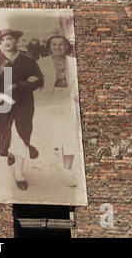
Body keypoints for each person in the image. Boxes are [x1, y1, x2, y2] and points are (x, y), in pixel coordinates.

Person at [0, 29, 44, 190]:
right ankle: (10, 153)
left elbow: (38, 79)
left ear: (17, 41)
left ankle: (19, 173)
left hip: (23, 102)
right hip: (1, 102)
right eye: (2, 40)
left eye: (10, 39)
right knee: (5, 134)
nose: (6, 42)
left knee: (21, 134)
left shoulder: (28, 61)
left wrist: (19, 85)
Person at [36, 35, 79, 188]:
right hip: (48, 100)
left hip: (68, 100)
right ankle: (49, 169)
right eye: (54, 44)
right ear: (49, 46)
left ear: (68, 47)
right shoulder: (42, 62)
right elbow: (36, 84)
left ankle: (67, 172)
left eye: (61, 45)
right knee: (48, 136)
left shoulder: (74, 62)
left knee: (69, 137)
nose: (57, 47)